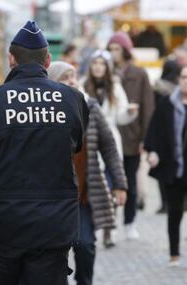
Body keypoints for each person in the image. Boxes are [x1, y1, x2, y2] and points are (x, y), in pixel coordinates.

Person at [0, 21, 89, 285]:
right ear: (48, 61)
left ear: (11, 59)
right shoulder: (73, 100)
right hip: (53, 228)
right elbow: (76, 146)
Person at [48, 61, 127, 285]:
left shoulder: (90, 106)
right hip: (53, 197)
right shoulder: (45, 112)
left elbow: (109, 147)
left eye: (73, 76)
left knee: (85, 245)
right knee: (54, 251)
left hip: (82, 195)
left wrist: (120, 183)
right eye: (65, 77)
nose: (72, 81)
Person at [81, 49, 138, 247]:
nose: (98, 67)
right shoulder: (83, 85)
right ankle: (96, 225)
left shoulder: (115, 86)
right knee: (96, 184)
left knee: (114, 183)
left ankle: (109, 229)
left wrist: (129, 112)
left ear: (107, 67)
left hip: (110, 140)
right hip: (89, 141)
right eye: (95, 63)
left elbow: (121, 116)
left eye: (102, 63)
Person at [107, 31, 155, 239]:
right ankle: (111, 224)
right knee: (112, 182)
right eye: (111, 49)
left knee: (130, 183)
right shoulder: (106, 71)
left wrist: (146, 139)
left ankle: (130, 222)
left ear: (125, 50)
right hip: (110, 137)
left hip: (133, 137)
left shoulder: (139, 73)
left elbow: (148, 108)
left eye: (117, 49)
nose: (113, 53)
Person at [145, 65, 187, 267]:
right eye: (184, 77)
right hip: (175, 168)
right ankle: (174, 253)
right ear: (179, 79)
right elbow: (154, 132)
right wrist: (153, 152)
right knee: (175, 212)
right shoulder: (167, 104)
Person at [152, 59, 181, 214]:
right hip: (177, 133)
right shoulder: (179, 90)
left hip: (162, 132)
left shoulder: (158, 88)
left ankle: (165, 203)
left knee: (163, 171)